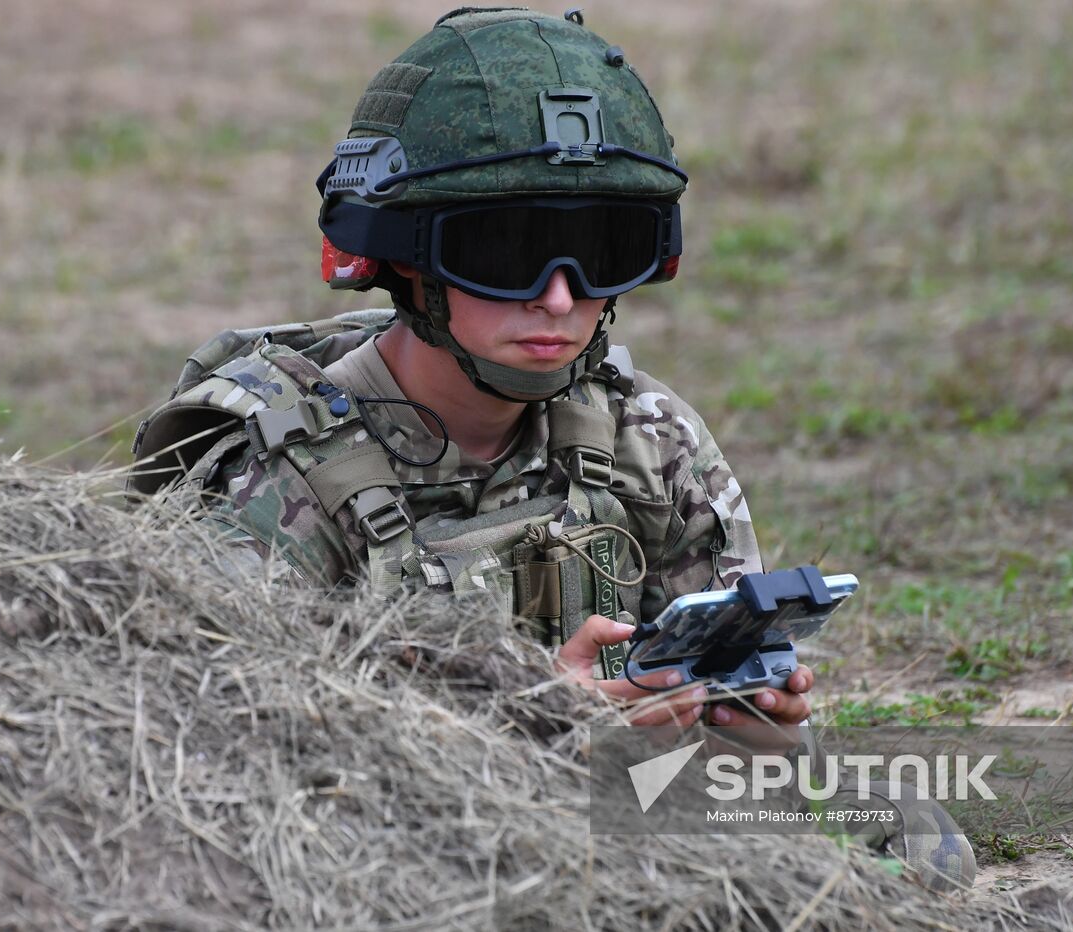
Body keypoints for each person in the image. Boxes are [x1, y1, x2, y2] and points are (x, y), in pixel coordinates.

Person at [129, 6, 973, 890]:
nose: (560, 300)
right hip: (394, 846)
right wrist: (529, 726)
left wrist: (757, 730)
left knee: (912, 834)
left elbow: (721, 733)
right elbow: (227, 777)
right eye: (508, 253)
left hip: (615, 817)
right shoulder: (277, 477)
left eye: (599, 252)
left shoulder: (643, 435)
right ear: (403, 260)